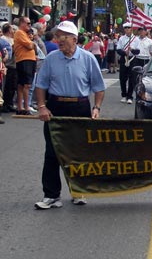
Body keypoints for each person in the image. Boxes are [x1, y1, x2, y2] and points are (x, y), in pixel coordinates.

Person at [34, 21, 105, 209]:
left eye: (63, 36)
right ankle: (51, 195)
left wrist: (96, 108)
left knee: (78, 152)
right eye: (58, 36)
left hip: (79, 107)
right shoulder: (51, 58)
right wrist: (42, 106)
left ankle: (78, 191)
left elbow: (98, 87)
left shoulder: (88, 58)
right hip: (56, 107)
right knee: (52, 152)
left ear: (74, 39)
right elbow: (41, 85)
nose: (59, 40)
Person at [13, 16, 37, 115]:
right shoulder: (20, 33)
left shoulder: (25, 34)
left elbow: (33, 47)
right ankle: (26, 107)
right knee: (26, 84)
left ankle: (20, 107)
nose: (29, 25)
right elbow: (30, 45)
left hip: (29, 60)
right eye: (28, 23)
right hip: (24, 60)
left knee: (22, 85)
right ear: (22, 23)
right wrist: (32, 44)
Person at [116, 23, 136, 104]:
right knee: (122, 78)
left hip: (132, 59)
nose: (127, 29)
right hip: (124, 59)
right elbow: (118, 49)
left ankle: (130, 96)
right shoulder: (121, 38)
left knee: (131, 79)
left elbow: (138, 51)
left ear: (131, 29)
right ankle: (124, 95)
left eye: (128, 28)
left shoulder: (135, 39)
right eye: (125, 28)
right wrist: (124, 52)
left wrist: (132, 50)